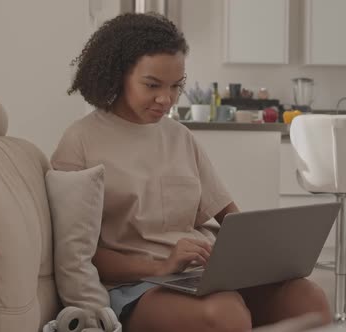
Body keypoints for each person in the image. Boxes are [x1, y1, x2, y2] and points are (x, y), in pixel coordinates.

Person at [51, 12, 331, 332]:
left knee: (309, 300)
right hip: (135, 287)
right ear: (118, 74)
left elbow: (232, 219)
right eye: (152, 85)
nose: (165, 99)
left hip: (200, 278)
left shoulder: (180, 137)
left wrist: (266, 260)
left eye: (175, 86)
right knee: (225, 314)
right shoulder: (80, 142)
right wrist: (162, 265)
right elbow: (80, 253)